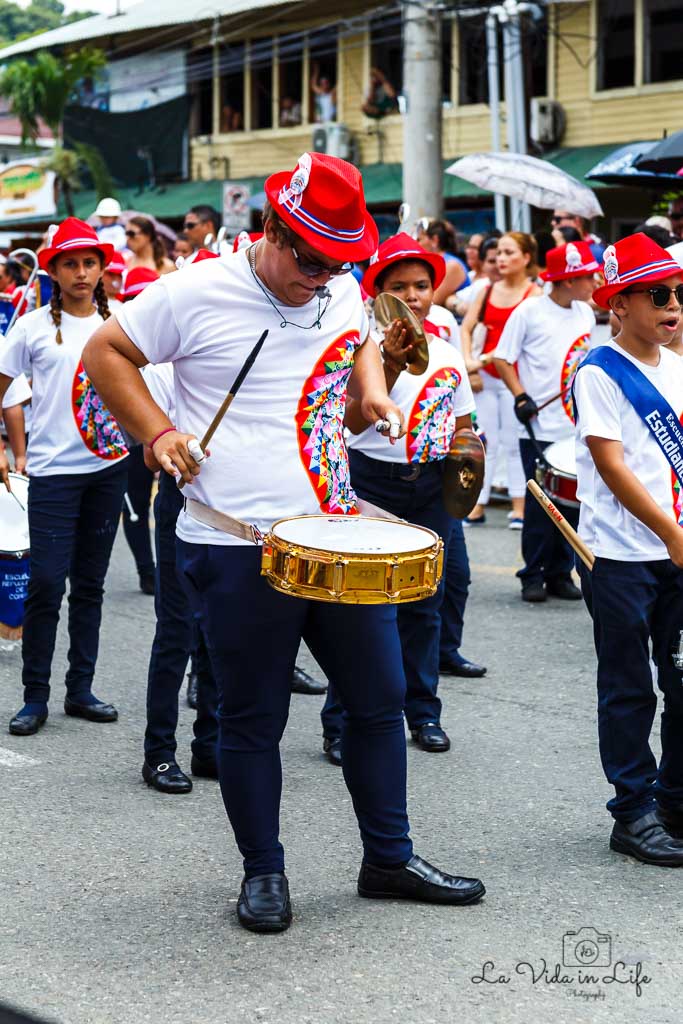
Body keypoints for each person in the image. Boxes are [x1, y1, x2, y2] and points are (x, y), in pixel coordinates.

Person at [83, 153, 486, 933]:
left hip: (335, 535)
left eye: (338, 263)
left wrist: (371, 388)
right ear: (271, 229)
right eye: (308, 260)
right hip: (235, 541)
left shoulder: (335, 287)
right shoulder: (196, 291)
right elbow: (107, 352)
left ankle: (388, 858)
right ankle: (263, 872)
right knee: (252, 718)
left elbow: (355, 335)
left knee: (378, 702)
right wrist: (158, 431)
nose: (321, 277)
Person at [321, 233, 476, 761]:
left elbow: (463, 422)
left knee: (424, 607)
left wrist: (469, 463)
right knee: (361, 608)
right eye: (400, 287)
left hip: (432, 488)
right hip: (371, 483)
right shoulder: (362, 347)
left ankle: (423, 712)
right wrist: (388, 360)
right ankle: (339, 722)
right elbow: (351, 416)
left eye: (422, 285)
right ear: (381, 295)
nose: (413, 296)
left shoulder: (449, 351)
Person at [573, 232, 683, 867]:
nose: (671, 304)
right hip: (622, 555)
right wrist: (670, 533)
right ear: (617, 303)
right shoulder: (599, 371)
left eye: (677, 293)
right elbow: (612, 465)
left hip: (676, 549)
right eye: (656, 294)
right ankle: (633, 808)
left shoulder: (676, 367)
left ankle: (675, 797)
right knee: (629, 685)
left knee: (682, 676)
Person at [0, 217, 128, 736]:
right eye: (70, 263)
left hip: (108, 469)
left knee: (90, 585)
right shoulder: (30, 326)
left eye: (89, 263)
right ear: (52, 270)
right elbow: (3, 384)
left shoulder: (122, 321)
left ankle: (80, 689)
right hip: (53, 473)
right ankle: (35, 697)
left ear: (102, 269)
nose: (81, 272)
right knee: (48, 581)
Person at [494, 242, 598, 601]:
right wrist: (521, 395)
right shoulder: (529, 312)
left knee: (571, 505)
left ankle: (559, 573)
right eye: (586, 276)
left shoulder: (585, 312)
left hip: (574, 426)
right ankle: (532, 574)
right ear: (567, 280)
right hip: (537, 426)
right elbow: (502, 359)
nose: (593, 281)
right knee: (540, 506)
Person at [139, 359, 219, 793]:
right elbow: (150, 452)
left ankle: (209, 744)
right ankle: (159, 753)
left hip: (229, 509)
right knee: (176, 629)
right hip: (181, 501)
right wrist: (177, 449)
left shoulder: (223, 357)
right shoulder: (160, 372)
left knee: (218, 631)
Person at [460, 232, 541, 526]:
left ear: (527, 258)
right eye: (499, 254)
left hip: (515, 380)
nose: (502, 259)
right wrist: (470, 362)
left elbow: (524, 342)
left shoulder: (534, 294)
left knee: (513, 442)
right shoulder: (486, 289)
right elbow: (467, 327)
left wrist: (484, 358)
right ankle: (476, 505)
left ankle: (520, 506)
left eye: (509, 253)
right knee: (485, 443)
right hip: (486, 377)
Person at [119, 267, 161, 595]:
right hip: (131, 438)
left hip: (173, 434)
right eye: (134, 298)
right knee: (135, 503)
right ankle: (147, 571)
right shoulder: (121, 340)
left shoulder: (171, 333)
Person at [417, 220, 467, 306]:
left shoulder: (452, 265)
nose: (416, 243)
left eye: (419, 239)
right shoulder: (431, 265)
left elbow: (431, 302)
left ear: (434, 240)